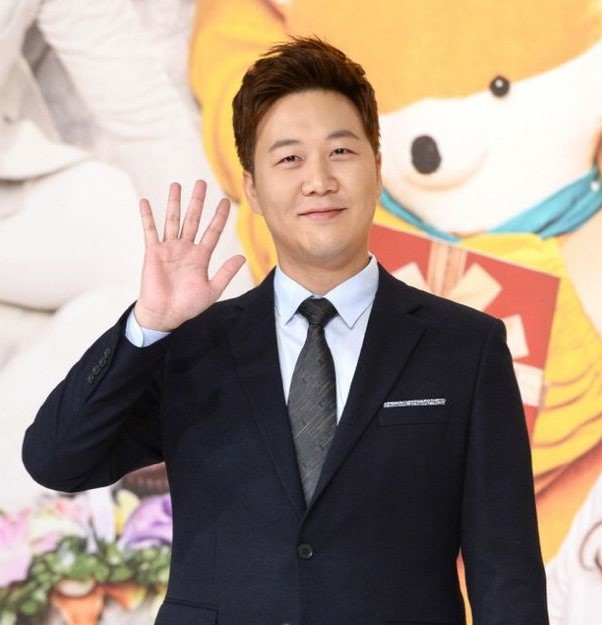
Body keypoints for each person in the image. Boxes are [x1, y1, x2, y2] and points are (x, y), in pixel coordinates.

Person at [23, 37, 549, 625]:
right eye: (290, 158)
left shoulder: (465, 348)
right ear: (251, 187)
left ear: (377, 168)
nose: (318, 180)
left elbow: (507, 575)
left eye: (341, 151)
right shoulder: (193, 346)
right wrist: (148, 326)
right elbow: (56, 460)